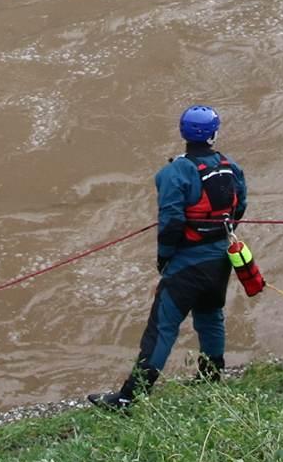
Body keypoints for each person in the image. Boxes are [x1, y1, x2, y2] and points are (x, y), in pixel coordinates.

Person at [89, 104, 247, 409]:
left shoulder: (174, 172)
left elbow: (171, 221)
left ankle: (128, 398)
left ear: (182, 133)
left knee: (162, 329)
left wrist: (164, 260)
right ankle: (210, 379)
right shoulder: (232, 167)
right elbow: (239, 209)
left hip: (186, 264)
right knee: (211, 317)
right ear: (214, 133)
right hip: (220, 260)